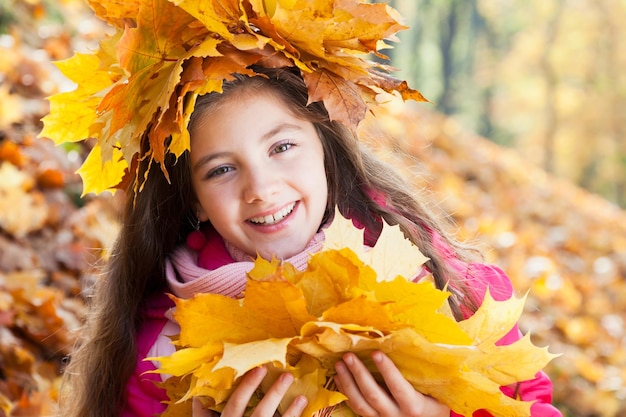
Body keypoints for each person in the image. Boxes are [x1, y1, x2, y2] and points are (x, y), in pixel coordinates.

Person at [57, 65, 562, 417]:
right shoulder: (159, 350)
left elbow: (526, 403)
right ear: (193, 200)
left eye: (282, 146)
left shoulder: (436, 280)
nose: (262, 189)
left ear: (325, 148)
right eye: (223, 169)